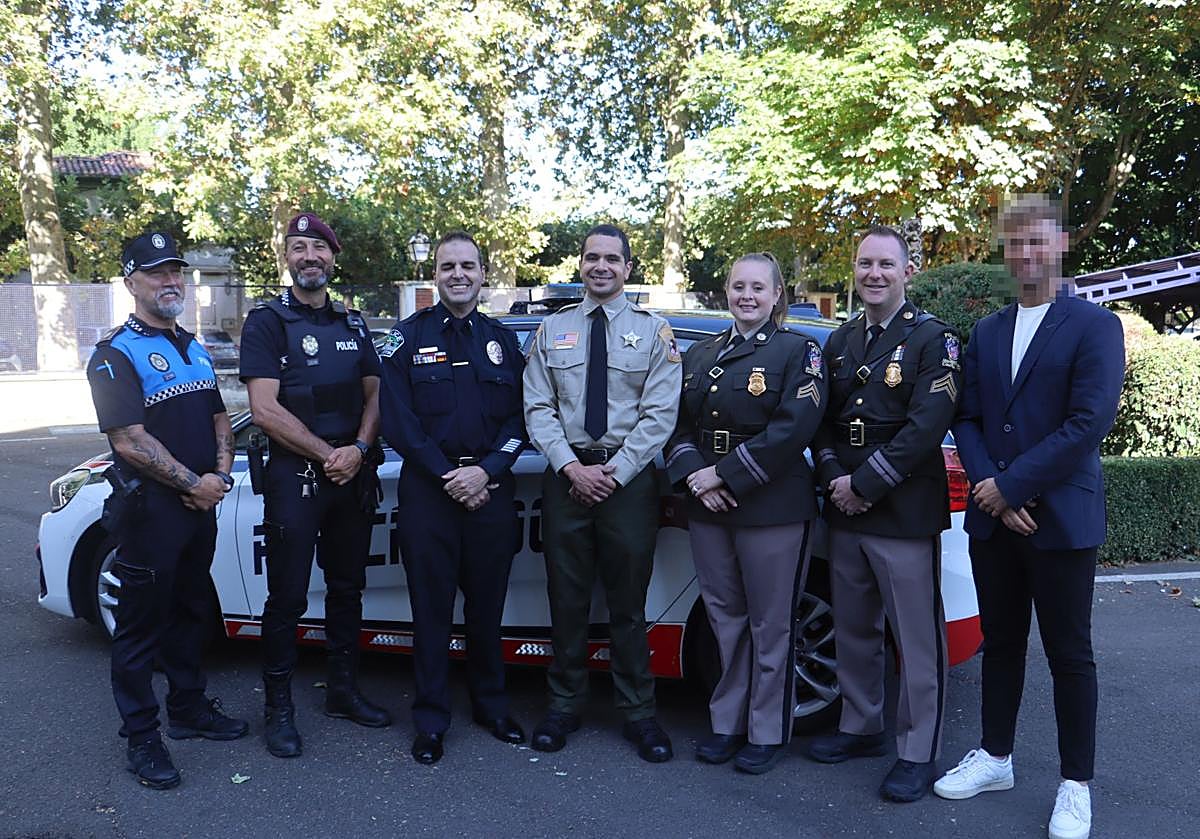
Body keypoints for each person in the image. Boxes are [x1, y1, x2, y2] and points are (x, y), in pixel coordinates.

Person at [933, 195, 1124, 839]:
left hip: (1058, 518)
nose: (1026, 254)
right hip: (995, 519)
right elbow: (968, 417)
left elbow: (1088, 422)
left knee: (1070, 654)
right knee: (1003, 644)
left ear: (1061, 243)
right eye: (1016, 244)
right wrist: (991, 488)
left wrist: (1010, 487)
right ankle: (995, 756)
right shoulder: (987, 331)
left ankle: (1076, 786)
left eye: (1037, 241)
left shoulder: (1094, 325)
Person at [806, 225, 963, 802]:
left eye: (885, 265)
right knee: (853, 628)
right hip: (845, 506)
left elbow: (927, 425)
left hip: (900, 509)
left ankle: (918, 750)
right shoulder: (840, 340)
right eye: (864, 263)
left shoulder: (933, 339)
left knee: (915, 638)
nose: (874, 274)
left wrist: (865, 484)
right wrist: (833, 479)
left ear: (907, 272)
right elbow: (819, 417)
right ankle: (861, 725)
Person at [87, 230, 249, 789]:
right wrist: (195, 484)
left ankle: (188, 709)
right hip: (150, 512)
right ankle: (141, 737)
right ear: (131, 282)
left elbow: (220, 420)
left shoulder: (194, 345)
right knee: (139, 630)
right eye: (157, 272)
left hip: (198, 506)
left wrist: (220, 476)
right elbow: (128, 440)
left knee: (190, 613)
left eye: (176, 270)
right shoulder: (114, 353)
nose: (171, 281)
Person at [663, 253, 828, 774]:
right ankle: (727, 723)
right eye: (738, 287)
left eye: (759, 287)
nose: (747, 296)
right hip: (709, 508)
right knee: (725, 620)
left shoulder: (797, 351)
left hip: (771, 507)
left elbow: (793, 427)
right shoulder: (702, 354)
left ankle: (767, 730)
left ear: (777, 294)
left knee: (771, 624)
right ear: (727, 292)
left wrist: (723, 475)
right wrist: (696, 477)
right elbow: (676, 427)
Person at [523, 223, 682, 763]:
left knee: (628, 605)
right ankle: (563, 705)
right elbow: (538, 407)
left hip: (628, 482)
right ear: (581, 264)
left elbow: (661, 414)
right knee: (565, 600)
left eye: (612, 259)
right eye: (592, 258)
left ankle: (639, 713)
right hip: (567, 478)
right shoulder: (552, 331)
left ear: (628, 268)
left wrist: (614, 472)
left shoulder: (654, 333)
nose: (601, 267)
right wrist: (572, 467)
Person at [240, 212, 391, 759]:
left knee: (349, 588)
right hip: (297, 478)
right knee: (287, 596)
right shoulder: (267, 323)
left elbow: (376, 394)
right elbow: (262, 409)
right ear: (288, 256)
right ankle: (278, 710)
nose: (310, 257)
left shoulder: (353, 326)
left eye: (319, 248)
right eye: (298, 246)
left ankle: (343, 693)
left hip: (351, 477)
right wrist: (331, 454)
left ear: (333, 258)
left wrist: (358, 450)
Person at [377, 232, 528, 765]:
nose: (458, 274)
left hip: (490, 493)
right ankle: (431, 719)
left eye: (468, 265)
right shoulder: (405, 340)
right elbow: (399, 422)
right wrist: (450, 476)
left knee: (487, 611)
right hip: (430, 496)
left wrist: (485, 472)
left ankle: (490, 706)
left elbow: (522, 417)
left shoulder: (505, 342)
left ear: (483, 274)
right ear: (435, 275)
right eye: (448, 266)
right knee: (431, 613)